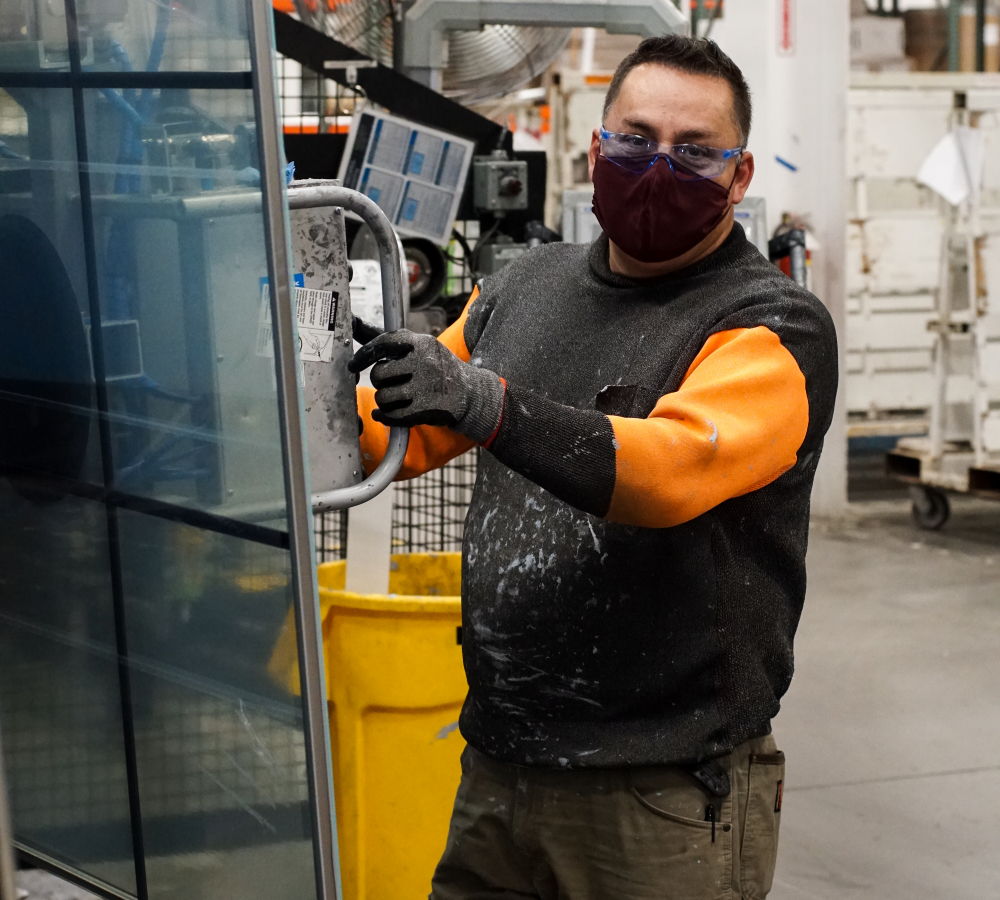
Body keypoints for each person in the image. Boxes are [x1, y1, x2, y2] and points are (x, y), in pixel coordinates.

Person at [349, 33, 838, 900]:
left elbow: (667, 472)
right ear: (594, 148)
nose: (657, 166)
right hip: (500, 764)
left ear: (739, 175)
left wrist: (483, 401)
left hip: (661, 790)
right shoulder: (525, 285)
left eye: (693, 151)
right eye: (636, 138)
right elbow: (401, 433)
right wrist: (299, 386)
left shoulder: (771, 326)